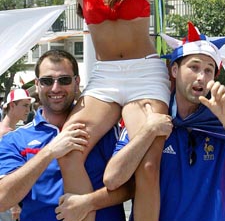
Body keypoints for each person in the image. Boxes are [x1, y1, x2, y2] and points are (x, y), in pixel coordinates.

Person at [10, 0, 207, 220]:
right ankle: (84, 212)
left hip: (145, 74)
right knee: (69, 150)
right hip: (105, 79)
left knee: (147, 163)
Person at [102, 22, 225, 221]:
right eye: (194, 67)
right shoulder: (148, 116)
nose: (201, 77)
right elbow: (113, 179)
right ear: (174, 70)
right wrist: (148, 132)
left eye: (208, 70)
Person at [0, 50, 131, 221]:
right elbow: (3, 199)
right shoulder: (15, 139)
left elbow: (132, 185)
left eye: (64, 80)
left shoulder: (105, 131)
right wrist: (49, 152)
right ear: (38, 84)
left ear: (77, 82)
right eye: (47, 81)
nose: (56, 88)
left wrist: (90, 202)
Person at [0, 88, 35, 221]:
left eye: (29, 106)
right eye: (25, 105)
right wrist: (14, 205)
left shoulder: (11, 131)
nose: (29, 110)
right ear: (12, 105)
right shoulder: (6, 134)